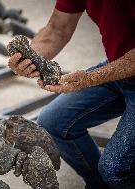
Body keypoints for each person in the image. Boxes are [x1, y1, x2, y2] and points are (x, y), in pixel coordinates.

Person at [8, 1, 135, 189]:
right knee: (53, 121)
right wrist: (29, 59)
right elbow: (58, 28)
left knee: (115, 169)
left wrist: (91, 78)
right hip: (120, 68)